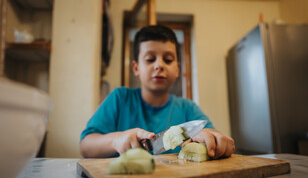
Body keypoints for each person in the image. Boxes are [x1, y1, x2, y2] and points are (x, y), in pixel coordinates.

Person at [80, 25, 235, 158]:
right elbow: (86, 146)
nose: (159, 65)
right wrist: (115, 140)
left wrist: (211, 138)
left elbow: (211, 135)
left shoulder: (187, 108)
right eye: (150, 59)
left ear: (177, 69)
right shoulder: (119, 98)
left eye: (168, 60)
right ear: (136, 68)